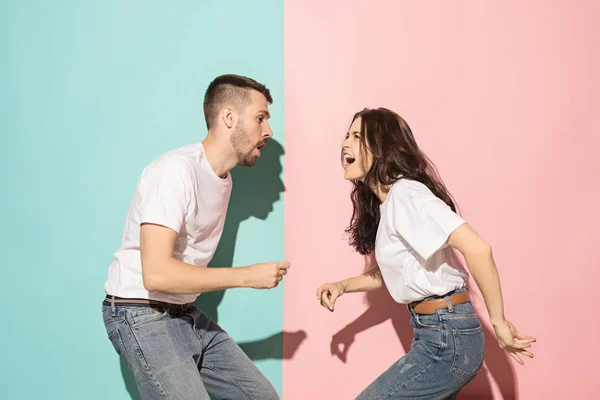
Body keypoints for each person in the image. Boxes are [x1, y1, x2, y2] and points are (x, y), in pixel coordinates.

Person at [317, 108, 535, 399]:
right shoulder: (391, 203)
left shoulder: (407, 194)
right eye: (347, 135)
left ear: (382, 147)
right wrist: (342, 286)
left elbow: (478, 249)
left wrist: (499, 322)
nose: (345, 143)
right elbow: (399, 272)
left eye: (357, 136)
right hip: (436, 333)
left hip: (446, 338)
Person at [102, 74, 288, 400]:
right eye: (260, 118)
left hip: (184, 313)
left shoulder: (223, 180)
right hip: (139, 310)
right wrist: (247, 277)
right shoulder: (176, 171)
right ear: (229, 117)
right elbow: (156, 273)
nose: (268, 131)